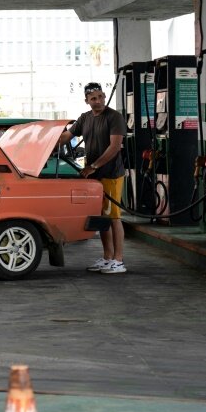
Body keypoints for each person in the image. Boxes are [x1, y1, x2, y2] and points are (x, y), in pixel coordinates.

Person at [59, 82, 127, 274]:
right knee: (101, 217)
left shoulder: (114, 117)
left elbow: (115, 147)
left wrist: (93, 166)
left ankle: (118, 260)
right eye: (93, 98)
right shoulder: (85, 118)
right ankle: (107, 257)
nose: (98, 101)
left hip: (111, 174)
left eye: (100, 97)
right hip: (94, 176)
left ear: (104, 96)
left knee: (113, 216)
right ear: (86, 100)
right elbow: (67, 136)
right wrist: (46, 139)